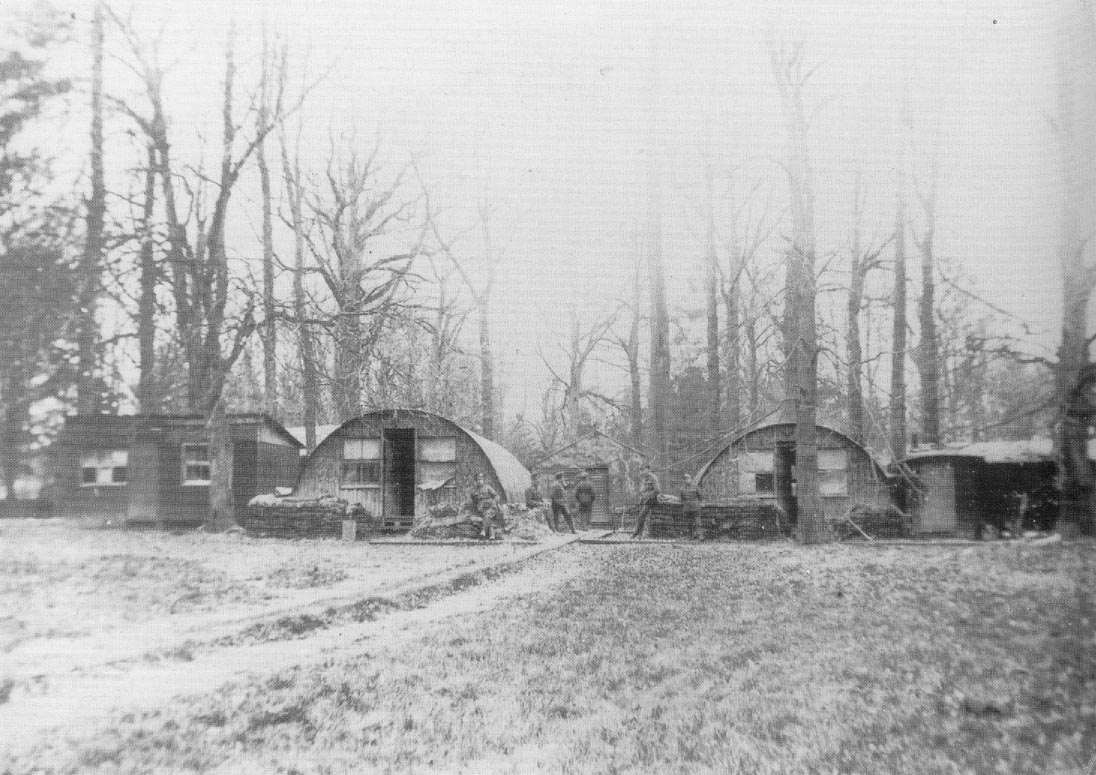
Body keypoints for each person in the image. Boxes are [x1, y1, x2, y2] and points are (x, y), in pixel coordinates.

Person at [631, 464, 661, 539]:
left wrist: (648, 496)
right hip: (644, 501)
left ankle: (636, 533)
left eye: (644, 470)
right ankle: (639, 534)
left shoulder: (653, 478)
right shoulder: (645, 478)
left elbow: (657, 490)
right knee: (641, 516)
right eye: (641, 470)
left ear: (648, 469)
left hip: (651, 501)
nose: (643, 472)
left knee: (641, 516)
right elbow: (644, 489)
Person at [470, 472, 502, 540]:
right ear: (475, 481)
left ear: (483, 480)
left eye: (481, 479)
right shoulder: (473, 490)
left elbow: (497, 496)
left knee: (488, 514)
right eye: (478, 479)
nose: (480, 481)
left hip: (491, 506)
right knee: (487, 514)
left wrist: (494, 501)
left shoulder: (488, 487)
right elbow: (473, 502)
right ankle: (491, 534)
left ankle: (484, 531)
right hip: (482, 507)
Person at [679, 473, 704, 540]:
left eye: (688, 479)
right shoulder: (682, 489)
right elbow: (682, 499)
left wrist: (699, 503)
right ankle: (691, 536)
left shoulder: (695, 487)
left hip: (695, 507)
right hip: (687, 508)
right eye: (685, 479)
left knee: (697, 522)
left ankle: (700, 536)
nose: (687, 480)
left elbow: (700, 496)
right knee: (689, 523)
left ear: (691, 479)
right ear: (684, 480)